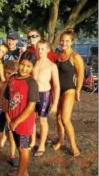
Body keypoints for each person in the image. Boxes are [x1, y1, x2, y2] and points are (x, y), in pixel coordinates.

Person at [4, 51, 39, 176]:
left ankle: (20, 174)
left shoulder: (32, 83)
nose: (24, 68)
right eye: (23, 64)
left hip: (23, 124)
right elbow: (7, 99)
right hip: (12, 122)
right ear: (19, 63)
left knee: (23, 149)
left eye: (28, 66)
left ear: (32, 68)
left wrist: (16, 122)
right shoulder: (12, 79)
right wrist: (8, 117)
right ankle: (24, 172)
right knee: (19, 147)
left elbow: (31, 107)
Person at [52, 29, 84, 157]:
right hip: (58, 90)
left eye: (67, 41)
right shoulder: (57, 55)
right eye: (62, 40)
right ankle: (60, 141)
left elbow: (81, 74)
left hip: (69, 89)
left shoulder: (75, 56)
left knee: (65, 119)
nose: (63, 43)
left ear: (72, 42)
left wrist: (78, 90)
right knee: (58, 119)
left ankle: (74, 146)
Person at [32, 40, 60, 157]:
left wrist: (55, 104)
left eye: (43, 48)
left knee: (43, 121)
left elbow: (57, 85)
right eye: (38, 48)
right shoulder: (33, 63)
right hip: (32, 95)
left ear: (48, 50)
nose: (40, 51)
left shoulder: (52, 65)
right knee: (31, 119)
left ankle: (42, 144)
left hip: (44, 94)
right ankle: (32, 141)